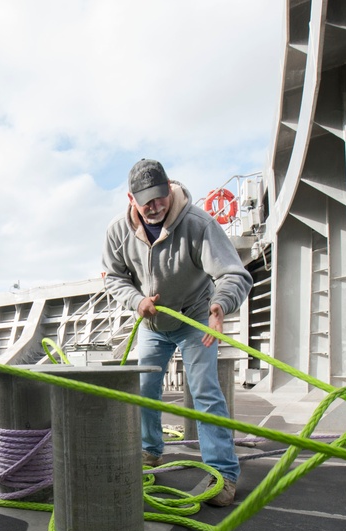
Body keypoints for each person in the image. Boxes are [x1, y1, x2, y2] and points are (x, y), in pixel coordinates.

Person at [101, 159, 253, 506]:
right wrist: (137, 301)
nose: (155, 207)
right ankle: (150, 450)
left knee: (205, 391)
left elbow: (234, 274)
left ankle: (223, 474)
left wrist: (221, 305)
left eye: (160, 197)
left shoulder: (199, 224)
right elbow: (113, 277)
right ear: (130, 199)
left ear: (169, 188)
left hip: (196, 317)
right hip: (152, 324)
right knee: (143, 389)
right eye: (146, 202)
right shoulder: (117, 232)